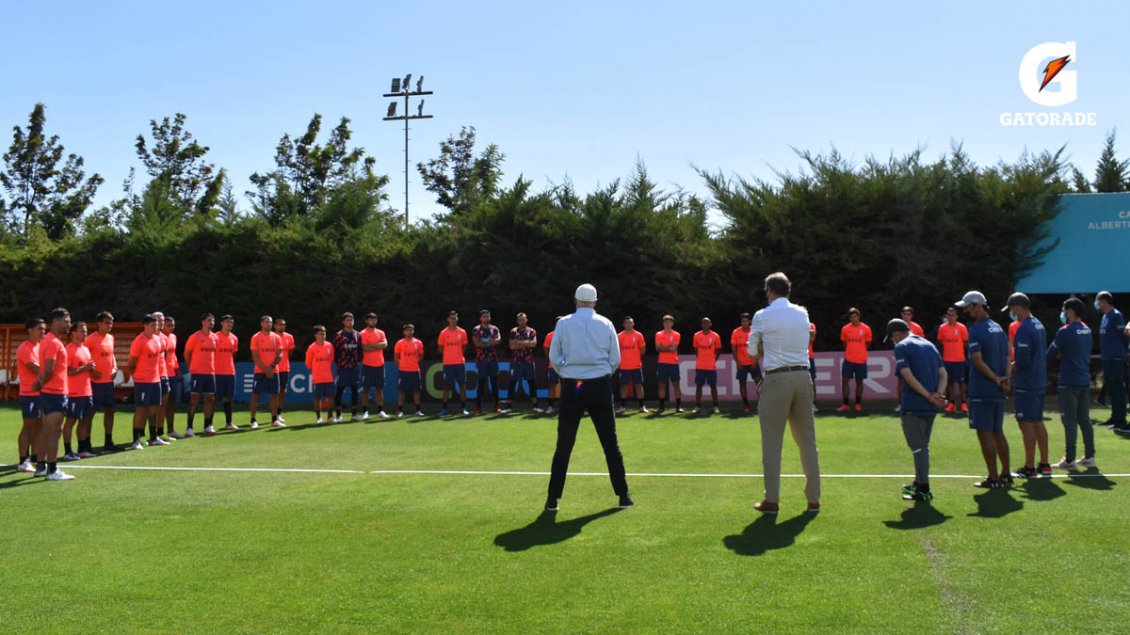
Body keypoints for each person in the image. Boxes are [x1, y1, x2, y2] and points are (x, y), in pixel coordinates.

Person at [546, 283, 632, 511]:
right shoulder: (606, 323)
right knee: (610, 442)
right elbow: (615, 358)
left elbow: (554, 356)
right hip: (599, 385)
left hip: (574, 385)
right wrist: (602, 374)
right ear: (594, 302)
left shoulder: (564, 323)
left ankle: (552, 499)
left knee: (564, 444)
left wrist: (567, 372)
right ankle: (623, 496)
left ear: (576, 300)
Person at [747, 272, 820, 514]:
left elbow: (751, 352)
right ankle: (813, 499)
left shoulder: (762, 315)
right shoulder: (802, 313)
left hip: (777, 378)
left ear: (770, 290)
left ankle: (772, 500)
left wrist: (761, 347)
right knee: (807, 441)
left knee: (771, 442)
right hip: (803, 376)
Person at [956, 291, 1012, 489]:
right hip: (998, 389)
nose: (966, 311)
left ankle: (993, 478)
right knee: (998, 431)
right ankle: (1006, 474)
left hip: (982, 389)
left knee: (985, 433)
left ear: (978, 305)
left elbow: (978, 361)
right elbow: (1007, 357)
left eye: (968, 307)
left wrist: (996, 379)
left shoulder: (976, 330)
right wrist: (1006, 379)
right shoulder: (998, 328)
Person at [887, 318, 946, 502]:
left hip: (914, 404)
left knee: (919, 449)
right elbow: (943, 373)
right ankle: (918, 482)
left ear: (896, 334)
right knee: (922, 447)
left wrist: (929, 396)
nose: (893, 341)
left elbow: (908, 376)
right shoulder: (929, 345)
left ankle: (924, 489)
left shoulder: (901, 347)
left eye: (892, 337)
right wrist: (938, 395)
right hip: (930, 407)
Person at [1004, 293, 1050, 479]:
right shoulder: (1039, 324)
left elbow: (1023, 360)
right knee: (1037, 421)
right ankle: (1044, 464)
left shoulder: (1024, 329)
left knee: (1026, 423)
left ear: (1017, 307)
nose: (1012, 313)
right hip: (1038, 380)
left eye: (1012, 309)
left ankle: (1030, 467)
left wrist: (1008, 371)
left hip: (1027, 383)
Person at [1047, 298, 1097, 468]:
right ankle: (1090, 456)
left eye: (1064, 310)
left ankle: (1070, 459)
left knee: (1069, 421)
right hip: (1083, 380)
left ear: (1070, 311)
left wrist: (1061, 353)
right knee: (1084, 420)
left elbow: (1050, 354)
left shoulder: (1065, 331)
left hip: (1068, 381)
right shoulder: (1087, 330)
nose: (1063, 313)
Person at [35, 307, 74, 480]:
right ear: (57, 321)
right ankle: (52, 470)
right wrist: (42, 383)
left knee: (46, 431)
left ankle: (41, 466)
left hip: (50, 392)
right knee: (54, 432)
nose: (69, 324)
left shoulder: (49, 340)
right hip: (55, 392)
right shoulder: (53, 342)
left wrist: (40, 383)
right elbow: (49, 369)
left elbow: (45, 368)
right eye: (66, 320)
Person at [128, 314, 164, 450]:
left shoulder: (158, 339)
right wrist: (139, 377)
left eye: (156, 324)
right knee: (141, 410)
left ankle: (153, 438)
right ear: (145, 326)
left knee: (154, 409)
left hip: (156, 380)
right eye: (153, 325)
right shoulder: (139, 341)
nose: (156, 327)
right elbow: (131, 363)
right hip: (143, 381)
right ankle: (135, 440)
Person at [86, 311, 120, 452]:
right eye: (106, 323)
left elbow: (112, 355)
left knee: (110, 411)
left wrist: (115, 367)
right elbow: (83, 355)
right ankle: (86, 443)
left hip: (108, 382)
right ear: (99, 323)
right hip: (95, 383)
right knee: (90, 413)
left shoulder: (111, 338)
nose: (109, 325)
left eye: (111, 323)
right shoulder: (90, 339)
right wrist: (91, 371)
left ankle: (108, 441)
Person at [1095, 291, 1129, 431]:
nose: (1097, 304)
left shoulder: (1116, 315)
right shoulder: (1105, 317)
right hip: (1107, 358)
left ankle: (1121, 419)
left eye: (1098, 301)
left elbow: (1124, 336)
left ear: (1104, 301)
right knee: (1112, 389)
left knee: (1118, 389)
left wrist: (1124, 352)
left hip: (1116, 358)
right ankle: (1114, 418)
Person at [63, 321, 96, 461]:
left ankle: (82, 450)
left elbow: (86, 368)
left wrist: (91, 368)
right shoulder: (68, 350)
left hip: (87, 391)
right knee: (71, 421)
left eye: (86, 331)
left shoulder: (86, 349)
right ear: (73, 333)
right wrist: (84, 368)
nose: (85, 334)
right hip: (74, 392)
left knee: (85, 420)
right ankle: (68, 451)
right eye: (82, 331)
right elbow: (67, 371)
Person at [15, 319, 45, 473]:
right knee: (28, 426)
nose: (43, 332)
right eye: (39, 329)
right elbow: (36, 368)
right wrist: (55, 371)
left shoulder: (40, 346)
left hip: (41, 392)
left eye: (44, 329)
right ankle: (23, 460)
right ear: (30, 330)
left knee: (39, 425)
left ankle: (35, 457)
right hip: (29, 393)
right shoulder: (24, 348)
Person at [184, 313, 218, 436]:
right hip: (197, 373)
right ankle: (189, 427)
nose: (211, 322)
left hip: (210, 373)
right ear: (203, 322)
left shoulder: (215, 337)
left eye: (213, 320)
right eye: (209, 320)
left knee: (210, 399)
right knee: (194, 400)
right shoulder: (195, 337)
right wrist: (191, 367)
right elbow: (186, 353)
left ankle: (208, 425)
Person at [249, 315, 284, 429]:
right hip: (260, 371)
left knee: (274, 395)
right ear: (261, 324)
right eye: (266, 322)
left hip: (274, 371)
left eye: (270, 322)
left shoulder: (276, 337)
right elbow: (255, 356)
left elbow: (280, 354)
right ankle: (253, 420)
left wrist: (272, 367)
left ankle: (274, 419)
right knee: (256, 395)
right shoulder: (255, 337)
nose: (268, 324)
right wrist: (266, 369)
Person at [937, 307, 970, 414]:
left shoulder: (962, 327)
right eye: (948, 315)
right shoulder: (942, 328)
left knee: (961, 382)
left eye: (952, 315)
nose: (950, 317)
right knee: (949, 382)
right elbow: (940, 341)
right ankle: (951, 403)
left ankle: (963, 404)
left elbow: (965, 342)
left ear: (956, 316)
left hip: (959, 359)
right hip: (947, 359)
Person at [838, 308, 872, 412]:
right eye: (851, 317)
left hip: (861, 360)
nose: (853, 318)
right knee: (845, 381)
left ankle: (858, 404)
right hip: (848, 359)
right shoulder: (845, 329)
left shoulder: (866, 328)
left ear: (858, 316)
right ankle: (845, 404)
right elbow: (844, 343)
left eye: (855, 316)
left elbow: (868, 343)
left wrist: (860, 350)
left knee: (859, 382)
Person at [437, 311, 470, 417]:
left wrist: (458, 355)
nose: (453, 320)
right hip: (448, 363)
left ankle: (463, 407)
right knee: (446, 386)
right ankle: (444, 408)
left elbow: (464, 346)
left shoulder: (462, 332)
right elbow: (441, 348)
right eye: (451, 318)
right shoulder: (443, 333)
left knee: (462, 385)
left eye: (455, 318)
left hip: (460, 362)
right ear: (448, 320)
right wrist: (449, 355)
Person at [359, 312, 390, 420]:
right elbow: (365, 348)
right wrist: (378, 346)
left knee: (379, 388)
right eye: (371, 320)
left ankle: (380, 411)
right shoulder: (362, 333)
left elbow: (385, 345)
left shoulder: (381, 332)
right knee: (366, 389)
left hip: (380, 364)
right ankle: (365, 412)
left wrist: (372, 346)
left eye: (374, 320)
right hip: (367, 365)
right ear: (366, 321)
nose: (373, 321)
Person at [332, 312, 363, 423]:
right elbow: (334, 351)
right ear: (343, 322)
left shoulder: (357, 335)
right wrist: (339, 363)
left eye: (352, 320)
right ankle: (338, 415)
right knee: (340, 389)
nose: (350, 322)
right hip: (343, 366)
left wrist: (357, 361)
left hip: (354, 366)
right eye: (348, 320)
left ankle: (354, 415)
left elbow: (359, 350)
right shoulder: (339, 335)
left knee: (355, 389)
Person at [894, 307, 926, 411]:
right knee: (901, 381)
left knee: (916, 380)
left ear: (911, 316)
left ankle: (916, 403)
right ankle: (901, 403)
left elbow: (922, 343)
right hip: (902, 357)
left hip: (915, 359)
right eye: (905, 314)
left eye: (908, 314)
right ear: (901, 315)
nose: (906, 316)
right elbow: (894, 340)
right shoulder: (896, 326)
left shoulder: (917, 327)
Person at [507, 312, 539, 414]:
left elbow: (533, 344)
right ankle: (508, 407)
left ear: (526, 320)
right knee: (512, 383)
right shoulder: (513, 331)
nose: (522, 321)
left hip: (528, 360)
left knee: (531, 383)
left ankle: (535, 406)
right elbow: (512, 346)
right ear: (517, 321)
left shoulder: (531, 331)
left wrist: (519, 342)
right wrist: (526, 343)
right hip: (516, 361)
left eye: (523, 319)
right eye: (520, 320)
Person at [471, 309, 502, 414]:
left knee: (494, 384)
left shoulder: (494, 329)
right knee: (481, 384)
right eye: (484, 316)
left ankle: (497, 406)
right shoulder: (476, 329)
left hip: (493, 359)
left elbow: (498, 340)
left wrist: (484, 343)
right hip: (481, 360)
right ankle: (478, 407)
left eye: (488, 316)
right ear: (480, 318)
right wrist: (490, 343)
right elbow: (477, 343)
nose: (486, 318)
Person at [731, 313, 762, 415]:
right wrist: (737, 362)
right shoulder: (736, 332)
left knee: (759, 383)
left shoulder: (754, 332)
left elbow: (759, 347)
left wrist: (755, 361)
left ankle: (762, 404)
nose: (744, 323)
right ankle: (746, 405)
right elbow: (734, 349)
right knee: (742, 384)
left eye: (746, 321)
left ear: (749, 322)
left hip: (753, 362)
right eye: (742, 321)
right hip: (742, 364)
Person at [617, 316, 648, 414]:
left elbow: (642, 349)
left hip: (636, 366)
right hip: (624, 366)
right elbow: (617, 350)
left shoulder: (638, 335)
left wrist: (636, 358)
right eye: (626, 323)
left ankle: (642, 406)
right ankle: (622, 407)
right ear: (623, 324)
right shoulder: (619, 336)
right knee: (624, 386)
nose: (628, 325)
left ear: (633, 324)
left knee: (639, 385)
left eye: (630, 323)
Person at [305, 325, 336, 424]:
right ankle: (319, 417)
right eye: (321, 334)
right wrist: (316, 370)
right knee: (317, 397)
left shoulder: (329, 346)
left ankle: (330, 417)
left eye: (324, 333)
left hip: (328, 376)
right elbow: (308, 364)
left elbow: (331, 359)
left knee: (331, 396)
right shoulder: (311, 348)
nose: (323, 336)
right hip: (317, 378)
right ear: (315, 335)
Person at [214, 315, 239, 431]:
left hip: (230, 372)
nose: (230, 324)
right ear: (222, 323)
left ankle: (228, 423)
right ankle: (209, 425)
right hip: (217, 372)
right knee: (214, 398)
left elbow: (233, 354)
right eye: (228, 322)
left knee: (229, 398)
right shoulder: (215, 337)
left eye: (231, 322)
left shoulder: (234, 338)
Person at [654, 315, 684, 414]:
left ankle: (678, 407)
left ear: (672, 324)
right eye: (665, 322)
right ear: (663, 324)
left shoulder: (676, 334)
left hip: (673, 363)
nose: (667, 324)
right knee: (661, 385)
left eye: (669, 322)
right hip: (662, 363)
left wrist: (663, 347)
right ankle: (661, 407)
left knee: (676, 385)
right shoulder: (658, 334)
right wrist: (668, 348)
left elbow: (673, 349)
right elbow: (657, 348)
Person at [394, 324, 425, 417]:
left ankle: (418, 410)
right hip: (403, 370)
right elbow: (396, 356)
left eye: (411, 330)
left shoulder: (418, 342)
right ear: (404, 332)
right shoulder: (399, 343)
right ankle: (400, 410)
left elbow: (421, 355)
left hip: (415, 370)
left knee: (416, 390)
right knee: (402, 390)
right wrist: (401, 365)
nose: (409, 332)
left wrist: (415, 363)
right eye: (407, 330)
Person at [692, 317, 722, 414]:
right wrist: (701, 359)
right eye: (704, 323)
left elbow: (718, 349)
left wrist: (713, 359)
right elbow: (696, 349)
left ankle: (715, 406)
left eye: (707, 323)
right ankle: (697, 406)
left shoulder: (715, 336)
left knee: (713, 386)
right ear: (701, 324)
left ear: (710, 324)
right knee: (698, 386)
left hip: (711, 366)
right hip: (700, 366)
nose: (706, 325)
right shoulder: (696, 335)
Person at [163, 315, 184, 439]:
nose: (171, 328)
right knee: (161, 405)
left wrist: (178, 370)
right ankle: (158, 432)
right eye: (168, 325)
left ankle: (171, 430)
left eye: (173, 325)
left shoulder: (173, 337)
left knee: (171, 403)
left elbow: (173, 356)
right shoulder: (159, 338)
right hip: (162, 375)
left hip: (172, 374)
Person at [274, 317, 295, 424]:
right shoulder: (272, 337)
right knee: (274, 392)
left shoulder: (289, 337)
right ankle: (274, 415)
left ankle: (279, 413)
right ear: (275, 326)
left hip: (285, 368)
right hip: (274, 368)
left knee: (282, 391)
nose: (282, 326)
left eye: (284, 325)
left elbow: (290, 352)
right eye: (280, 324)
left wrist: (284, 361)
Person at [543, 321, 562, 415]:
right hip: (553, 365)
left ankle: (564, 406)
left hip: (566, 366)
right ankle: (551, 406)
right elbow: (546, 347)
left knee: (567, 386)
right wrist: (551, 359)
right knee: (552, 385)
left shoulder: (569, 334)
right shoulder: (550, 335)